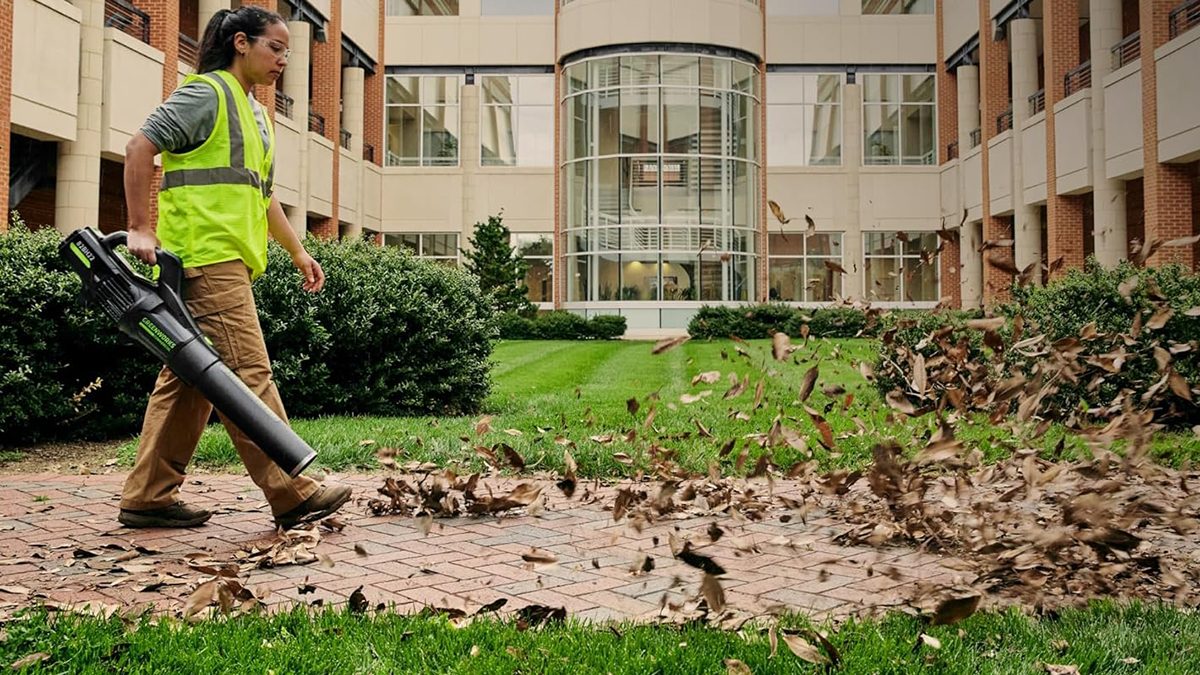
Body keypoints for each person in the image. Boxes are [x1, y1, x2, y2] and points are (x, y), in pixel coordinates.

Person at [119, 6, 350, 530]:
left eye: (287, 52)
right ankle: (294, 491)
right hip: (205, 257)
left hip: (226, 260)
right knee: (247, 375)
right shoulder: (208, 93)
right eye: (276, 48)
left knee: (190, 381)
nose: (283, 61)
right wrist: (139, 226)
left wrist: (297, 251)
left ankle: (147, 496)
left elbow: (261, 195)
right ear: (241, 43)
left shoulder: (257, 114)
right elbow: (139, 148)